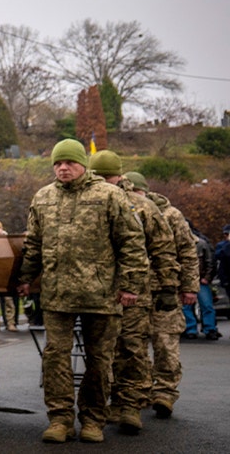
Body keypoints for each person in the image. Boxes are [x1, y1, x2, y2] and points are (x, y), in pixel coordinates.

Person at [16, 139, 148, 444]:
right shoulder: (43, 197)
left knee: (100, 361)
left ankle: (92, 419)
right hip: (57, 296)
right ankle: (60, 419)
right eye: (58, 163)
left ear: (83, 165)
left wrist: (130, 286)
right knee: (55, 358)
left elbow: (131, 242)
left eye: (70, 163)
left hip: (101, 296)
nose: (63, 168)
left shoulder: (109, 195)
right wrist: (25, 278)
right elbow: (33, 244)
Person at [88, 151, 179, 435]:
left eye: (108, 177)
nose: (104, 182)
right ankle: (111, 401)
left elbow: (164, 248)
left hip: (136, 292)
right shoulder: (86, 203)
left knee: (132, 348)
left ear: (119, 175)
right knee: (104, 351)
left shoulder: (141, 205)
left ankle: (130, 405)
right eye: (98, 176)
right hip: (96, 291)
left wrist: (167, 287)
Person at [125, 171, 199, 419]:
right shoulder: (123, 211)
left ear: (144, 191)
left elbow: (188, 253)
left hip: (163, 290)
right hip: (135, 291)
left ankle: (165, 392)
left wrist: (189, 287)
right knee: (135, 345)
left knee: (165, 343)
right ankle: (142, 389)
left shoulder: (171, 215)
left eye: (136, 192)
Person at [184, 221, 221, 340]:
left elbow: (210, 262)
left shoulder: (201, 244)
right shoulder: (180, 244)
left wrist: (207, 278)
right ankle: (191, 329)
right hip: (186, 281)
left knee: (206, 305)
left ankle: (210, 329)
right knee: (186, 306)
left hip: (201, 280)